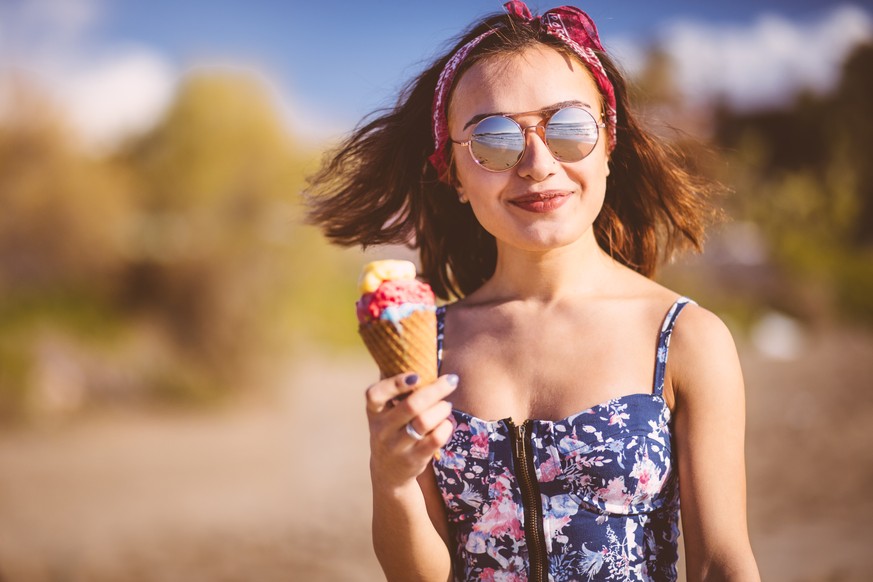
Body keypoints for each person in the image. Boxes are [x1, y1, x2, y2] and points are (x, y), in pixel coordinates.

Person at [305, 2, 760, 580]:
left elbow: (722, 561)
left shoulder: (686, 337)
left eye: (569, 128)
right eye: (494, 141)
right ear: (454, 174)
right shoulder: (428, 346)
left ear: (608, 144)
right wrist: (391, 479)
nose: (537, 164)